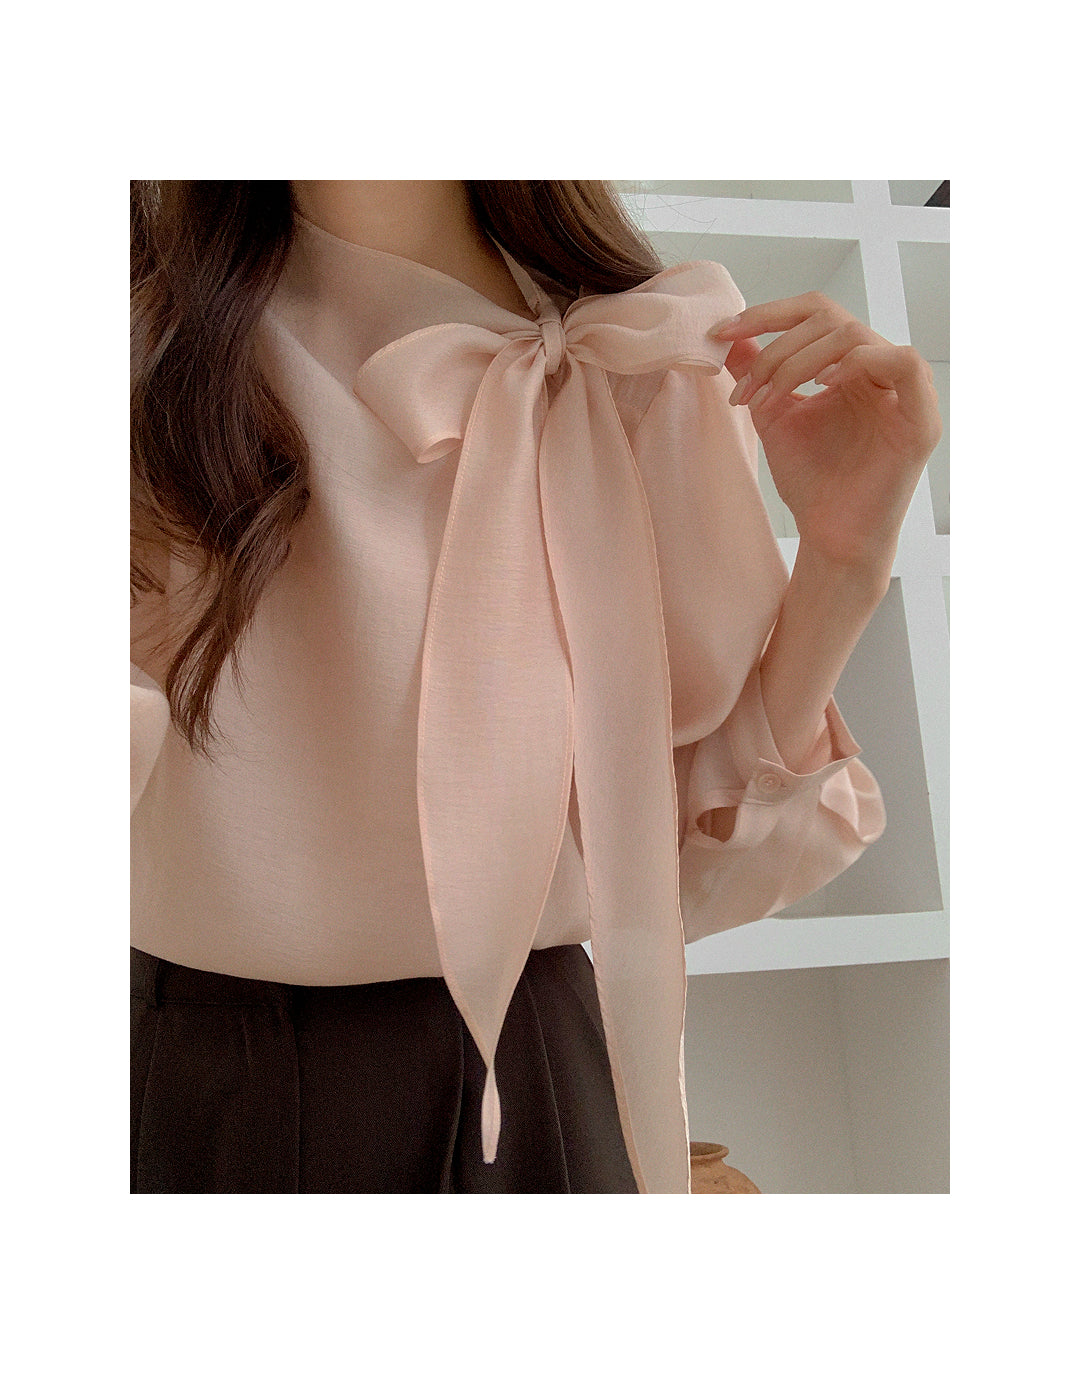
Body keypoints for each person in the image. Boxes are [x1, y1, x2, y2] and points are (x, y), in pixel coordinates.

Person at [130, 180, 941, 1194]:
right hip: (212, 1075)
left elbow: (686, 862)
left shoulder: (652, 350)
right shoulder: (150, 349)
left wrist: (844, 561)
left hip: (544, 1066)